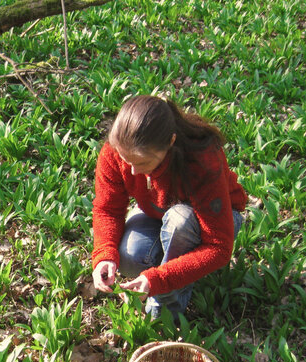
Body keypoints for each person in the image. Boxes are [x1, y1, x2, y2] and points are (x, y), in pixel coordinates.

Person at [91, 95, 247, 320]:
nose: (133, 171)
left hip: (214, 222)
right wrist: (104, 254)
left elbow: (219, 247)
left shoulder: (202, 159)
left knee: (179, 221)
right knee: (129, 256)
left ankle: (165, 312)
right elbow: (107, 209)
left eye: (142, 163)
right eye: (127, 161)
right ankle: (180, 270)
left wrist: (157, 280)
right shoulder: (115, 151)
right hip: (157, 214)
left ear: (170, 143)